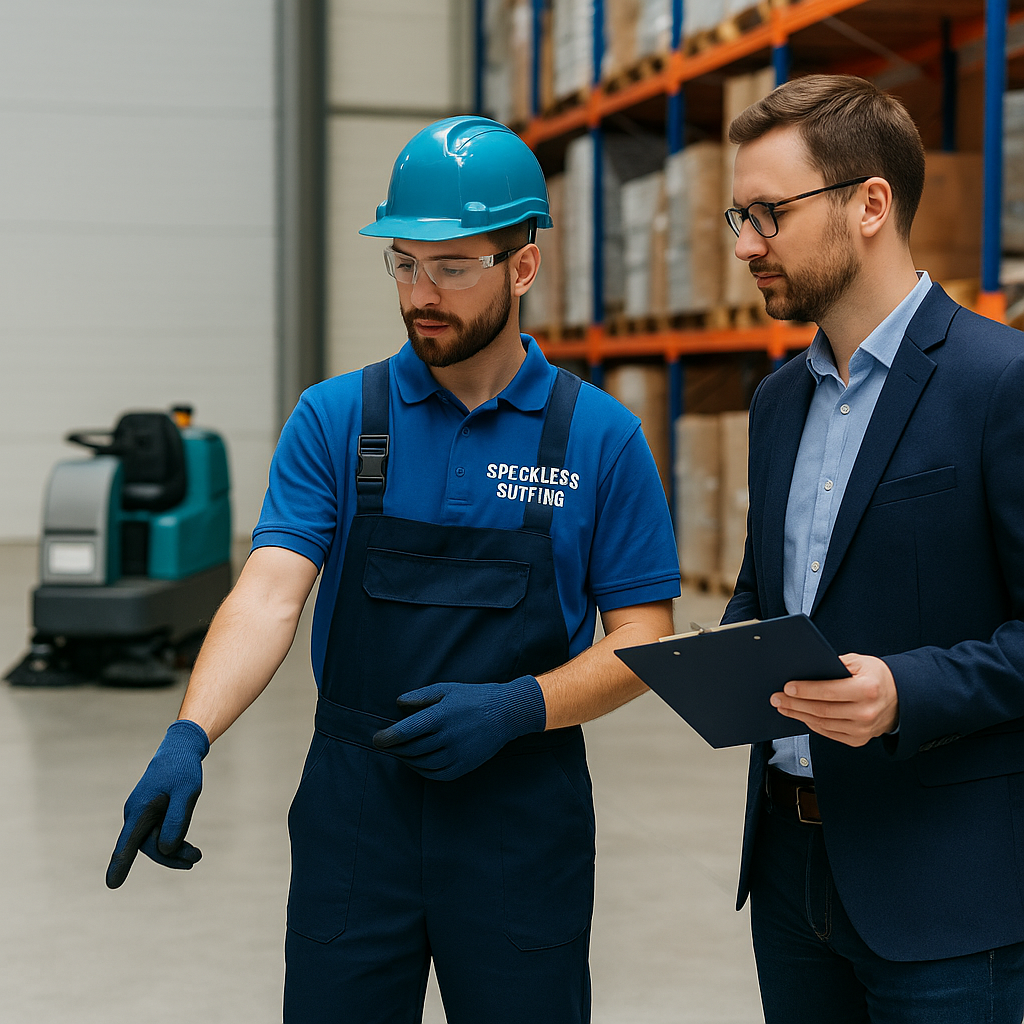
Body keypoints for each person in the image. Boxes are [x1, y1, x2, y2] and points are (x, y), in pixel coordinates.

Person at [105, 115, 680, 1024]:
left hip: (519, 816)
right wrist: (191, 732)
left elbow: (645, 638)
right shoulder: (337, 418)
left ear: (522, 267)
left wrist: (518, 706)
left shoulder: (601, 438)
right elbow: (269, 592)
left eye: (452, 267)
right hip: (355, 815)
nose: (422, 292)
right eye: (405, 263)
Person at [721, 73, 1024, 1022]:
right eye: (738, 217)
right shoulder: (778, 402)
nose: (747, 246)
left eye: (768, 214)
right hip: (789, 871)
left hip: (945, 897)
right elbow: (761, 596)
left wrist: (906, 691)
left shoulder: (997, 381)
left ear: (870, 205)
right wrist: (717, 657)